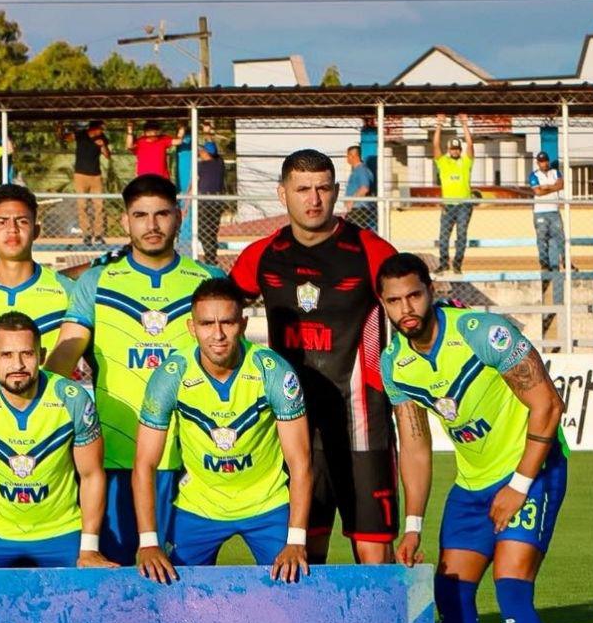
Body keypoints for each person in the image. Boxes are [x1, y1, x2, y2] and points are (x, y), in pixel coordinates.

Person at [379, 252, 567, 623]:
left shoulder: (483, 332)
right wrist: (412, 524)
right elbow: (414, 445)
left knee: (511, 590)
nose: (406, 308)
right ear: (383, 305)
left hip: (532, 470)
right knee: (451, 593)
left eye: (414, 295)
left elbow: (548, 403)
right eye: (394, 301)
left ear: (431, 290)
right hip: (473, 485)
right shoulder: (394, 362)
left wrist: (520, 483)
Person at [230, 149, 398, 565]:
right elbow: (217, 314)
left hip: (363, 422)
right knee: (302, 551)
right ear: (282, 193)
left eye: (323, 188)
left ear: (337, 192)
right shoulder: (261, 255)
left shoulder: (371, 252)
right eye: (302, 189)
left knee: (373, 551)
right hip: (294, 427)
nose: (313, 199)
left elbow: (415, 312)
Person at [46, 174, 225, 562]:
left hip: (191, 457)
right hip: (116, 454)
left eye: (162, 214)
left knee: (184, 586)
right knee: (115, 578)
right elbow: (64, 355)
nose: (152, 225)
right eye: (140, 215)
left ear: (179, 217)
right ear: (125, 222)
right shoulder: (97, 281)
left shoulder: (208, 280)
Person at [132, 277, 312, 585]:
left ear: (242, 324)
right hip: (198, 505)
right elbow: (144, 464)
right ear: (192, 328)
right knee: (176, 599)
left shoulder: (272, 371)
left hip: (267, 504)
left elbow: (301, 461)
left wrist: (296, 539)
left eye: (227, 322)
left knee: (291, 596)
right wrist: (148, 541)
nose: (217, 334)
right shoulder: (170, 376)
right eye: (206, 324)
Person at [0, 312, 115, 569]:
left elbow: (91, 475)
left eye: (27, 354)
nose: (18, 364)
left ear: (42, 355)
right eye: (7, 355)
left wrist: (89, 548)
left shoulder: (72, 398)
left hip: (62, 533)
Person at [0, 184, 73, 385]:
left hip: (46, 414)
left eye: (22, 221)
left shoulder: (67, 291)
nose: (12, 229)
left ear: (36, 230)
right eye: (1, 222)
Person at [433, 113, 475, 272]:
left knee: (461, 235)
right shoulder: (443, 162)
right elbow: (436, 146)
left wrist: (464, 123)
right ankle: (444, 263)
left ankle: (457, 263)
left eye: (458, 149)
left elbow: (470, 146)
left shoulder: (465, 162)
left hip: (464, 204)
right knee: (444, 235)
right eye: (453, 148)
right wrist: (439, 125)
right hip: (448, 205)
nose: (455, 151)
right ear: (449, 149)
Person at [59, 119, 110, 247]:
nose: (102, 131)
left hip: (96, 176)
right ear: (94, 127)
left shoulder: (102, 138)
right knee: (82, 205)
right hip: (80, 175)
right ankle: (86, 235)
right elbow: (65, 138)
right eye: (101, 128)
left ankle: (98, 235)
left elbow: (108, 155)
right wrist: (60, 126)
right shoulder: (81, 135)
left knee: (99, 206)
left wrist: (102, 145)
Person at [528, 151, 565, 273]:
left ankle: (565, 261)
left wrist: (546, 186)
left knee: (560, 237)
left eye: (545, 161)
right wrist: (552, 187)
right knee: (542, 238)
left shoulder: (555, 172)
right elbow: (537, 192)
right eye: (541, 162)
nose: (543, 164)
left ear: (548, 161)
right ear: (537, 163)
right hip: (540, 211)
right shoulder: (534, 175)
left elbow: (560, 185)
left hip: (554, 210)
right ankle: (544, 264)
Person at [344, 145, 376, 231]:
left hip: (360, 209)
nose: (346, 158)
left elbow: (364, 188)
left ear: (353, 155)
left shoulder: (361, 170)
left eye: (347, 155)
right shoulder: (357, 170)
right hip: (356, 209)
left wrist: (351, 201)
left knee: (352, 233)